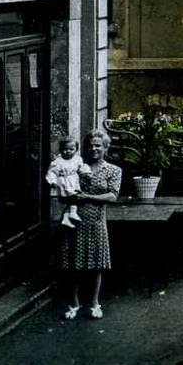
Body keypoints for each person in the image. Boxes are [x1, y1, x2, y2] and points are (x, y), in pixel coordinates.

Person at [60, 128, 121, 320]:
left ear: (105, 148)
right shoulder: (76, 166)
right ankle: (74, 303)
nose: (93, 149)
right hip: (74, 219)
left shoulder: (113, 170)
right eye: (90, 145)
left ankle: (95, 303)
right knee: (74, 265)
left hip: (96, 221)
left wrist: (87, 196)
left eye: (98, 146)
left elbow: (112, 196)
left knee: (97, 264)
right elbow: (64, 192)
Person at [45, 135, 88, 228]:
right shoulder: (58, 161)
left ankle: (66, 217)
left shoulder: (77, 159)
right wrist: (52, 181)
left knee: (75, 197)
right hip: (64, 182)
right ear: (60, 150)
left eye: (71, 149)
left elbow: (81, 168)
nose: (68, 151)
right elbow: (52, 172)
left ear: (76, 149)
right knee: (70, 199)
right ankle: (71, 213)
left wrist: (85, 172)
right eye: (65, 149)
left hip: (74, 181)